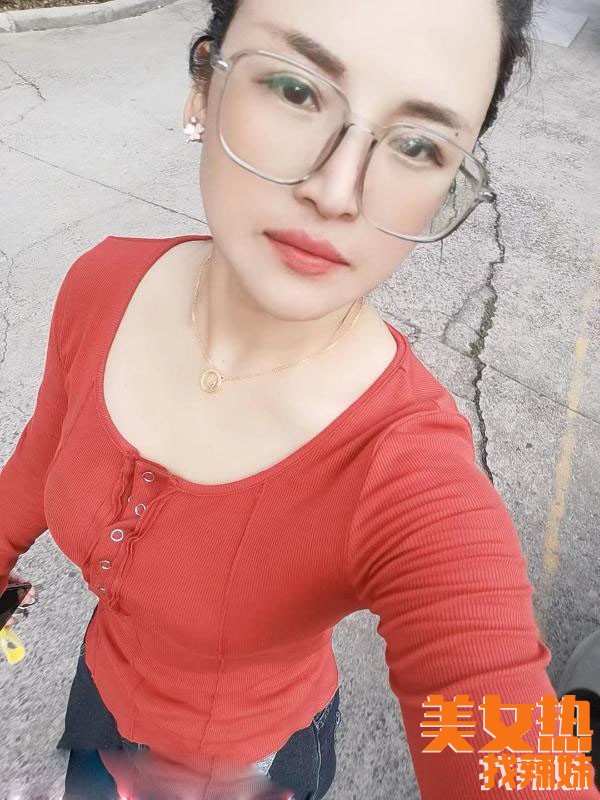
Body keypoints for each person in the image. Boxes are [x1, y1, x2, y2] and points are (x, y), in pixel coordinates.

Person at [1, 0, 599, 798]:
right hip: (98, 698)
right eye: (295, 88)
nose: (337, 190)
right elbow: (40, 457)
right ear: (204, 86)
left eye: (417, 144)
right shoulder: (101, 281)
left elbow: (505, 728)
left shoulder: (409, 472)